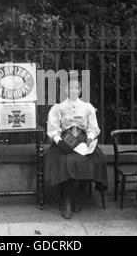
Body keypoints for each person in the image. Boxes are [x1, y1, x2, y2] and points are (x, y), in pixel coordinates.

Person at [45, 76, 108, 219]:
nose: (73, 90)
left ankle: (79, 196)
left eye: (76, 88)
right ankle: (67, 200)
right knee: (65, 161)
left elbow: (93, 127)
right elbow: (53, 128)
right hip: (65, 139)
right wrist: (59, 141)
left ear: (80, 90)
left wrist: (90, 138)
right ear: (66, 89)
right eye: (70, 88)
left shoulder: (87, 107)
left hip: (82, 138)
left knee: (94, 160)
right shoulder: (58, 107)